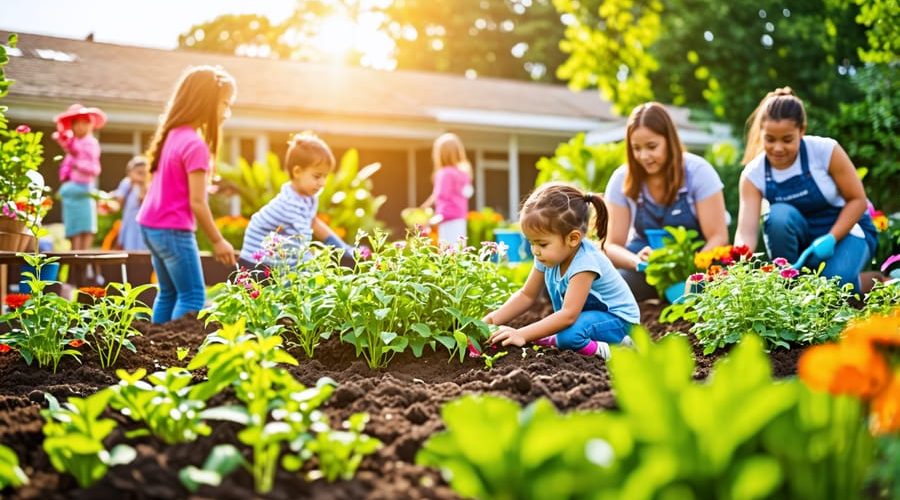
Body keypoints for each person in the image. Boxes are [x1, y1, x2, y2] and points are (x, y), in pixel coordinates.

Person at [734, 87, 878, 292]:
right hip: (802, 239)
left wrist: (831, 238)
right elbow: (746, 232)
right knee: (777, 216)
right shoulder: (753, 174)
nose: (777, 148)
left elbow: (858, 201)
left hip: (848, 231)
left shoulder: (825, 151)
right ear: (761, 134)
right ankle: (790, 288)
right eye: (770, 139)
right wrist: (737, 264)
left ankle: (874, 281)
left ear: (802, 130)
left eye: (787, 139)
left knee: (830, 288)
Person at [484, 182, 640, 360]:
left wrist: (521, 334)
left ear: (573, 238)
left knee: (570, 337)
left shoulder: (584, 263)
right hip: (588, 319)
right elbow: (526, 295)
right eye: (531, 242)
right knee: (550, 332)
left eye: (542, 243)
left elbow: (568, 315)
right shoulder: (548, 255)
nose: (535, 250)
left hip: (618, 321)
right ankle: (557, 339)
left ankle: (622, 352)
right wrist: (490, 320)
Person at [137, 65, 238, 323]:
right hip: (173, 230)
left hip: (151, 226)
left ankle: (155, 349)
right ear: (207, 102)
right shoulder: (195, 145)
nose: (227, 112)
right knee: (193, 296)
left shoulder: (172, 135)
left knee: (168, 293)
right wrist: (217, 240)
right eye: (224, 104)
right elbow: (197, 202)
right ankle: (178, 355)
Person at [603, 102, 729, 301]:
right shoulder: (621, 179)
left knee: (701, 300)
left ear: (669, 141)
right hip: (647, 272)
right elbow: (612, 245)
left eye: (652, 147)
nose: (644, 156)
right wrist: (638, 262)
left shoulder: (698, 172)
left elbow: (718, 236)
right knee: (608, 291)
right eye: (636, 148)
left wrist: (688, 268)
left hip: (697, 266)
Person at [239, 132, 355, 267]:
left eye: (325, 176)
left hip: (274, 257)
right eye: (317, 176)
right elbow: (302, 242)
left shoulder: (307, 198)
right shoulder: (290, 203)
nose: (323, 182)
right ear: (297, 172)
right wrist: (314, 268)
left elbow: (315, 223)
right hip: (255, 262)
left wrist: (344, 248)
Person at [53, 103, 107, 285]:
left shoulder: (91, 143)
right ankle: (73, 280)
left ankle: (82, 280)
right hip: (72, 194)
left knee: (86, 238)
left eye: (84, 123)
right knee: (75, 240)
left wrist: (76, 160)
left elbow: (94, 169)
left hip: (83, 193)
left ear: (91, 125)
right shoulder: (73, 144)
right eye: (76, 123)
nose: (80, 127)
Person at [420, 133, 473, 245]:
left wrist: (430, 220)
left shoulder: (444, 173)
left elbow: (441, 195)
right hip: (460, 218)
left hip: (447, 219)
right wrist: (425, 205)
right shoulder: (463, 173)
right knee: (459, 251)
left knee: (447, 253)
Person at [112, 156, 149, 251]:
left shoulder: (148, 185)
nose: (141, 176)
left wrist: (143, 185)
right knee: (129, 248)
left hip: (143, 225)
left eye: (144, 173)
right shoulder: (127, 184)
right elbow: (118, 202)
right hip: (129, 224)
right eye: (138, 172)